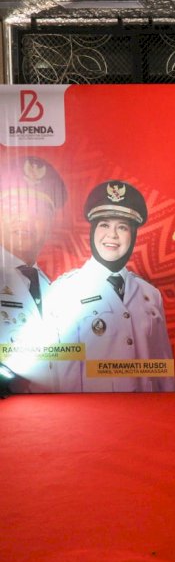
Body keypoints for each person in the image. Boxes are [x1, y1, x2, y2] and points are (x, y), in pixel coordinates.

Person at [47, 181, 175, 392]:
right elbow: (59, 371)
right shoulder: (65, 291)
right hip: (94, 417)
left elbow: (162, 366)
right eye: (104, 224)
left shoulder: (150, 294)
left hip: (147, 416)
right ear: (92, 231)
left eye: (122, 227)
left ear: (133, 236)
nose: (112, 235)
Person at [0, 155, 66, 393]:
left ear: (50, 222)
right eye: (13, 207)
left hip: (48, 418)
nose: (24, 219)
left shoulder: (55, 289)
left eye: (36, 211)